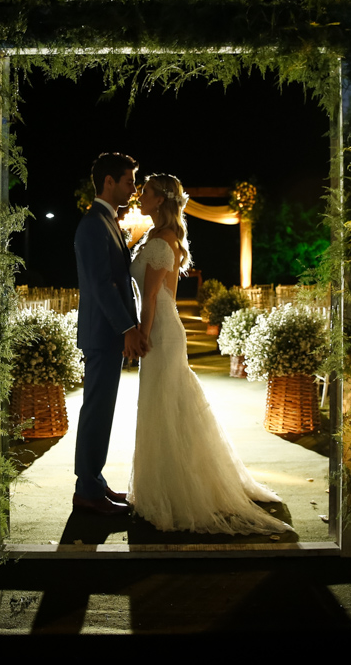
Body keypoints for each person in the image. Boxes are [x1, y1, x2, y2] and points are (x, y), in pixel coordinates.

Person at [128, 173, 291, 535]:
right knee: (164, 405)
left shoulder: (162, 240)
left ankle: (177, 491)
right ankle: (166, 484)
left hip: (161, 331)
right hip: (162, 326)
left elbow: (151, 297)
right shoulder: (155, 236)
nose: (140, 197)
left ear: (160, 200)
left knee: (164, 404)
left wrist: (141, 336)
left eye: (146, 192)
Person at [72, 152, 149, 515]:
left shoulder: (107, 221)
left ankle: (95, 482)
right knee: (96, 411)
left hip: (107, 334)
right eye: (129, 181)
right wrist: (127, 327)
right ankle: (87, 491)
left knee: (102, 412)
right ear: (109, 182)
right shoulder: (93, 224)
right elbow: (101, 285)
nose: (134, 189)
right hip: (102, 334)